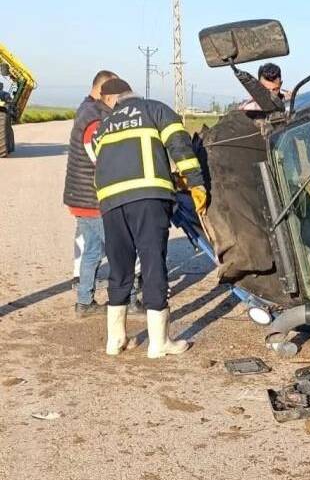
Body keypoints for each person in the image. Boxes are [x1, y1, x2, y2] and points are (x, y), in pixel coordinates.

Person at [93, 78, 207, 358]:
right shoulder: (155, 110)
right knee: (153, 262)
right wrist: (196, 183)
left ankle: (115, 340)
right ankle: (159, 344)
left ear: (113, 99)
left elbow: (103, 159)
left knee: (119, 268)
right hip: (148, 198)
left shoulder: (105, 125)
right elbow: (180, 147)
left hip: (110, 202)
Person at [64, 70, 117, 318]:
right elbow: (101, 159)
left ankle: (84, 302)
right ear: (103, 91)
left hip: (81, 197)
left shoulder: (87, 109)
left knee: (93, 251)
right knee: (118, 249)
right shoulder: (94, 118)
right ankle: (124, 301)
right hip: (92, 199)